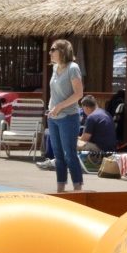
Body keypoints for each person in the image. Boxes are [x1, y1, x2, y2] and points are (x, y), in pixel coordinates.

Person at [46, 39, 85, 193]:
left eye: (53, 49)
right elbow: (54, 93)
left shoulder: (73, 68)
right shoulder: (55, 68)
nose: (50, 52)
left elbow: (79, 94)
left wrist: (60, 106)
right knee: (58, 155)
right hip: (53, 118)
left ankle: (77, 189)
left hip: (68, 117)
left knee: (70, 154)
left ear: (62, 51)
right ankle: (60, 188)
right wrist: (51, 109)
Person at [39, 95, 117, 170]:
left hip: (100, 149)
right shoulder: (104, 113)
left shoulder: (91, 117)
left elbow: (84, 139)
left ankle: (56, 163)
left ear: (86, 107)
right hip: (110, 148)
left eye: (83, 108)